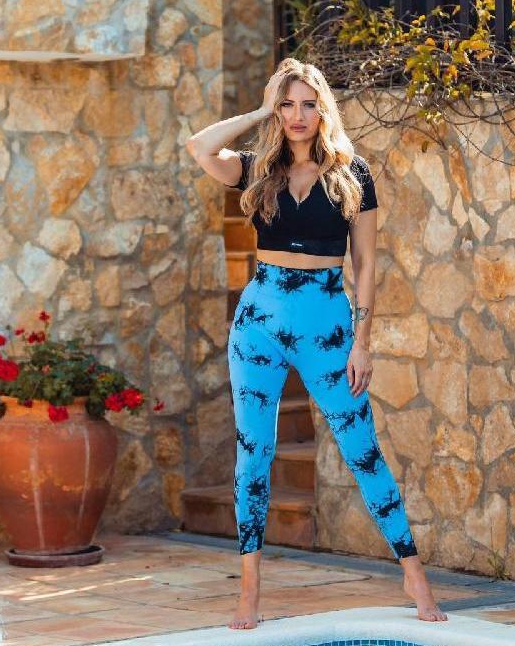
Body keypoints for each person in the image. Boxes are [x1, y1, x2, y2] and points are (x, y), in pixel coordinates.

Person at [185, 58, 448, 630]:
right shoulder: (257, 169)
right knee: (253, 453)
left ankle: (413, 574)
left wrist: (362, 342)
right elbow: (199, 146)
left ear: (322, 108)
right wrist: (259, 109)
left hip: (326, 322)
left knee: (361, 447)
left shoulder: (353, 174)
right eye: (287, 104)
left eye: (307, 103)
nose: (297, 115)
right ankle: (250, 588)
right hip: (257, 322)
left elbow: (367, 264)